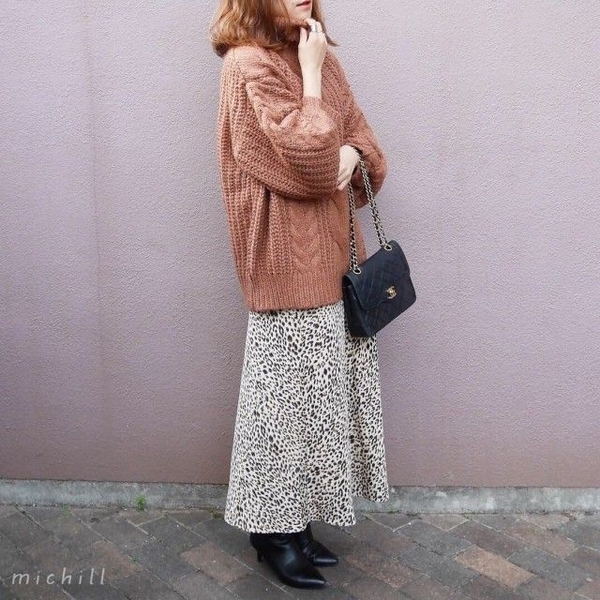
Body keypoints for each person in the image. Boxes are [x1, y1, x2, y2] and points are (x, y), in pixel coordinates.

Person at [210, 0, 390, 589]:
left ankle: (297, 523)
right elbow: (309, 167)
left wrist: (353, 153)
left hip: (335, 256)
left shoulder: (317, 53)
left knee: (318, 403)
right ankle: (271, 531)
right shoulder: (247, 66)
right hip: (285, 262)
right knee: (282, 409)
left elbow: (367, 145)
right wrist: (311, 82)